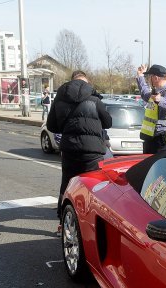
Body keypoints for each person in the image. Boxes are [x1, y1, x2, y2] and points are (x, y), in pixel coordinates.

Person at [47, 70, 112, 232]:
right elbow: (108, 122)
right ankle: (91, 226)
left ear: (71, 82)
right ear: (86, 82)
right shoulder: (94, 99)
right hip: (93, 151)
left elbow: (51, 126)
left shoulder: (60, 99)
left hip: (70, 149)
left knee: (67, 185)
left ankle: (63, 224)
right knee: (93, 187)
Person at [135, 64, 166, 155]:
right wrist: (140, 76)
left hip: (163, 142)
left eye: (150, 76)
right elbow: (144, 92)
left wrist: (160, 100)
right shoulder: (155, 93)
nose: (149, 79)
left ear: (155, 78)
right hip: (151, 139)